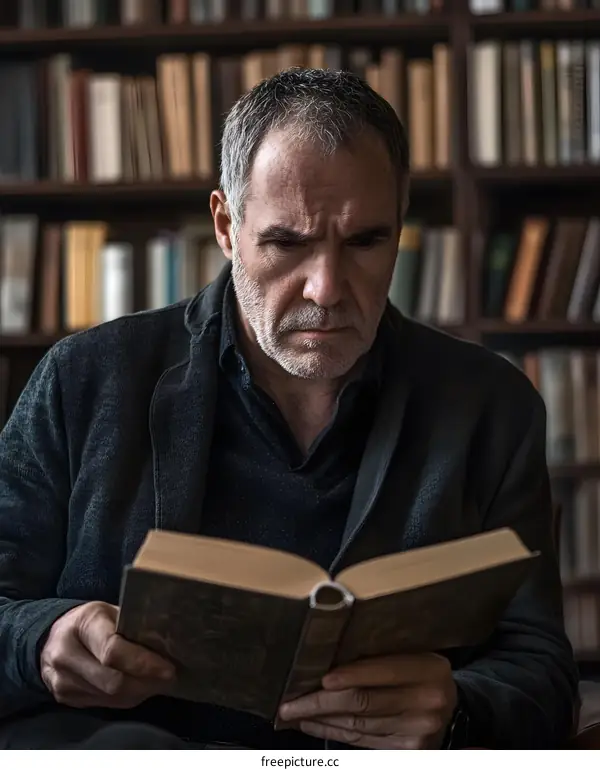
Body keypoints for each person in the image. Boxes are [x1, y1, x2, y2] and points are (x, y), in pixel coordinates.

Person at [0, 68, 578, 750]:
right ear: (225, 225)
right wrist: (40, 642)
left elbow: (542, 670)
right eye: (287, 243)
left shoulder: (491, 406)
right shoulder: (84, 380)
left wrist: (459, 709)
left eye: (366, 242)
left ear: (400, 227)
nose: (327, 289)